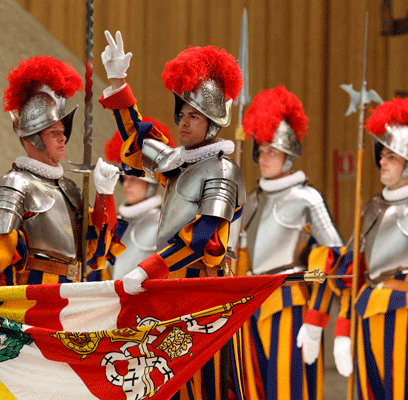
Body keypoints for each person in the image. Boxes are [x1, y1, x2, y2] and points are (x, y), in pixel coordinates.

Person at [99, 30, 245, 399]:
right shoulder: (178, 162)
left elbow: (203, 237)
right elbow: (137, 137)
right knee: (166, 378)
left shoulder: (221, 171)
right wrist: (119, 82)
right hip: (169, 286)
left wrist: (147, 268)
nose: (182, 123)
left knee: (207, 382)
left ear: (212, 125)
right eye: (181, 113)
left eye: (193, 117)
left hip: (202, 290)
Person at [0, 55, 124, 286]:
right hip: (31, 292)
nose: (63, 137)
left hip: (69, 291)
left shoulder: (70, 189)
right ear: (33, 138)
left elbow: (93, 254)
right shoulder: (14, 184)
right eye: (53, 132)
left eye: (63, 130)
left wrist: (103, 195)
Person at [237, 86, 344, 400]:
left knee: (289, 391)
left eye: (273, 151)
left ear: (289, 156)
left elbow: (331, 262)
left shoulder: (307, 199)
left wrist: (315, 319)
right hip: (250, 306)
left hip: (289, 304)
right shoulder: (252, 200)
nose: (264, 157)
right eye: (261, 150)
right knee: (253, 390)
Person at [301, 97, 408, 399]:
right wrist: (342, 328)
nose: (382, 162)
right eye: (381, 156)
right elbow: (350, 274)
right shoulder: (372, 207)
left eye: (391, 156)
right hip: (366, 313)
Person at [92, 117, 175, 281]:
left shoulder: (163, 224)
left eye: (135, 180)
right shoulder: (117, 223)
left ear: (151, 185)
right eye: (125, 179)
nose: (127, 185)